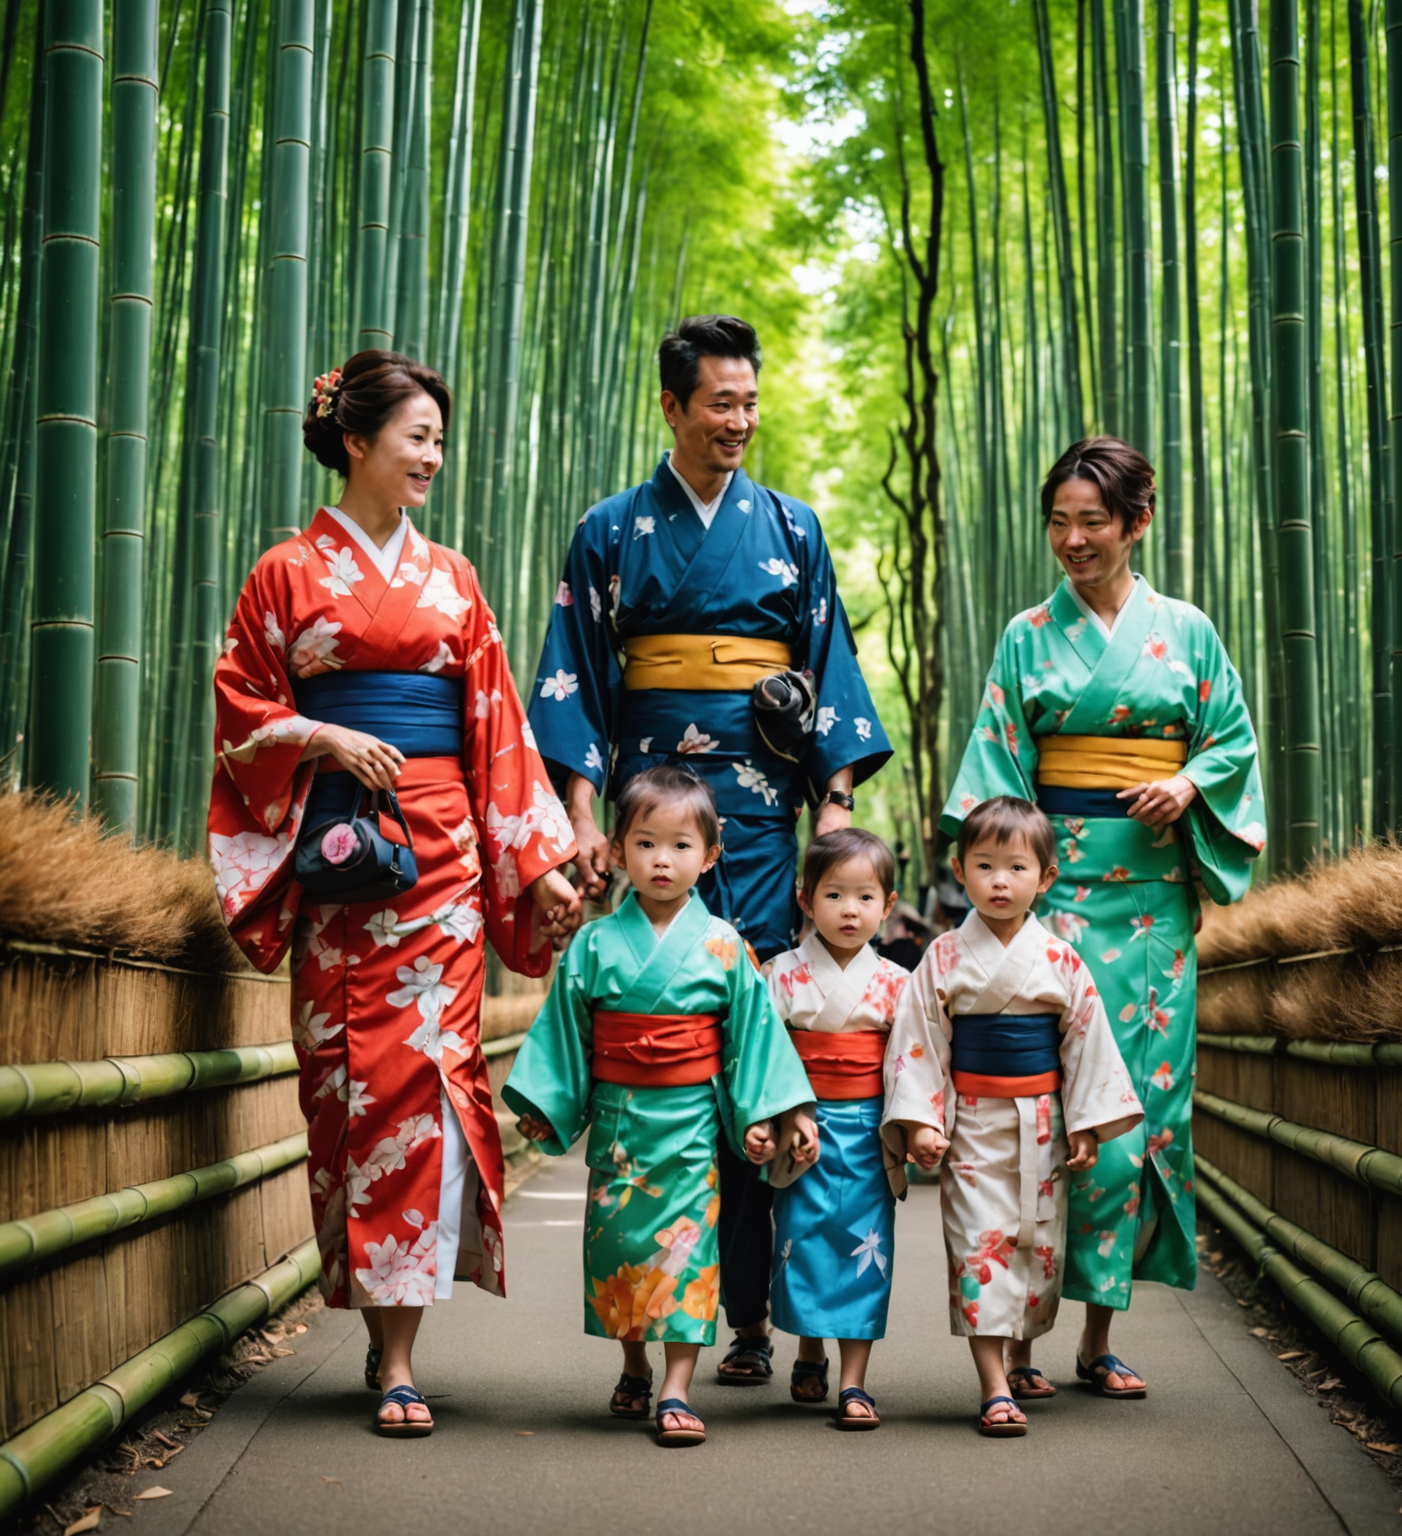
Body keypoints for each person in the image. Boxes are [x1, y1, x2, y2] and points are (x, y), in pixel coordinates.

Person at [207, 351, 584, 1437]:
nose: (431, 456)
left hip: (444, 859)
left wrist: (540, 863)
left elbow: (498, 731)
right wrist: (320, 730)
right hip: (338, 856)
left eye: (438, 440)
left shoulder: (454, 578)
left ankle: (403, 1353)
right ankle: (381, 1341)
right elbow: (242, 714)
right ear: (358, 440)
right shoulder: (284, 573)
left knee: (429, 1090)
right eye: (417, 437)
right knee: (352, 1094)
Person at [527, 314, 891, 1383]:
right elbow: (577, 679)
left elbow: (828, 669)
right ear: (672, 407)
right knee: (667, 1069)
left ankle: (751, 1316)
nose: (739, 421)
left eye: (749, 401)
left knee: (757, 1062)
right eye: (719, 402)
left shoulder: (793, 527)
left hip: (763, 830)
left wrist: (831, 805)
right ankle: (662, 1321)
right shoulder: (610, 530)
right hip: (657, 829)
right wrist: (586, 819)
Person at [943, 437, 1265, 1400]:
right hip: (1057, 905)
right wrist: (1013, 885)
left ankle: (1098, 1334)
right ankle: (1025, 1340)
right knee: (1042, 1121)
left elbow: (1232, 745)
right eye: (1059, 522)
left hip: (1154, 911)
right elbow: (999, 770)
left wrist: (1187, 780)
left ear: (1138, 523)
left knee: (1131, 1125)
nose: (1073, 539)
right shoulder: (1025, 635)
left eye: (1093, 522)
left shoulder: (1189, 631)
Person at [503, 767, 817, 1448]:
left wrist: (761, 1115)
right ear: (617, 851)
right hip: (620, 1126)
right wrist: (550, 1106)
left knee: (688, 1253)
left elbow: (752, 1043)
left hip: (694, 1127)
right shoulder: (592, 943)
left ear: (711, 855)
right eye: (646, 844)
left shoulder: (726, 946)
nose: (662, 860)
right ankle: (634, 1366)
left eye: (680, 846)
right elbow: (567, 1033)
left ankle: (676, 1388)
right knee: (622, 1249)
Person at [882, 797, 1143, 1436]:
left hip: (1042, 1122)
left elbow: (1085, 1042)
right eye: (985, 865)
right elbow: (920, 1041)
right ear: (960, 870)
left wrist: (1084, 1121)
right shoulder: (942, 957)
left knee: (1036, 1244)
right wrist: (921, 1119)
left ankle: (1021, 1359)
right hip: (971, 1122)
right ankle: (994, 1385)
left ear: (1046, 877)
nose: (1000, 881)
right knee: (979, 1248)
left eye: (1017, 867)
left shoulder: (1061, 961)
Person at [761, 828, 909, 1430]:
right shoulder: (779, 973)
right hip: (805, 1127)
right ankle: (808, 1349)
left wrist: (916, 1128)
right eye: (834, 895)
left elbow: (914, 1063)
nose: (850, 910)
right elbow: (765, 1053)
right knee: (801, 1243)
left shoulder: (900, 982)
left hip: (872, 1133)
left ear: (888, 905)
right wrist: (779, 1117)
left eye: (866, 897)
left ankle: (854, 1382)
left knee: (864, 1253)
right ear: (805, 898)